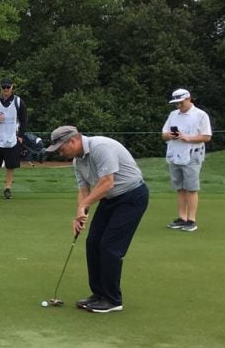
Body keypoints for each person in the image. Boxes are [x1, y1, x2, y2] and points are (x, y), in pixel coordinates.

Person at [44, 125, 149, 313]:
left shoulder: (101, 147)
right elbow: (84, 190)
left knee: (110, 247)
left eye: (61, 148)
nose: (60, 153)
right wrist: (80, 213)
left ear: (73, 141)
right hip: (109, 199)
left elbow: (108, 182)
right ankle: (99, 294)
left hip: (132, 197)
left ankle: (112, 299)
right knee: (93, 243)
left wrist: (84, 205)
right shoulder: (77, 162)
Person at [161, 88, 212, 232]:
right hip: (175, 154)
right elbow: (163, 135)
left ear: (188, 99)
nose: (178, 106)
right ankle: (182, 218)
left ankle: (191, 220)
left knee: (191, 188)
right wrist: (170, 135)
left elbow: (206, 136)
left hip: (192, 154)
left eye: (180, 102)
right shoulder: (173, 115)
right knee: (180, 188)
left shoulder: (200, 115)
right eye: (176, 103)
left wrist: (188, 137)